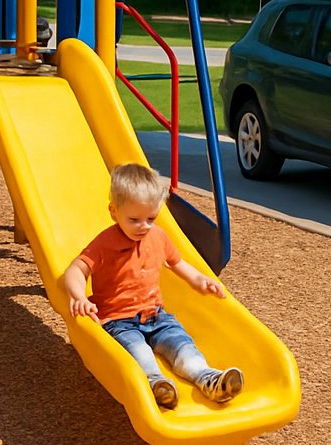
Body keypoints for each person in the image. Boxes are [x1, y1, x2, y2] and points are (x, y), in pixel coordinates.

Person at [64, 162, 244, 410]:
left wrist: (199, 279)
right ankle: (155, 384)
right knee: (140, 353)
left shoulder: (157, 235)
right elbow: (75, 270)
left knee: (182, 345)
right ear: (114, 212)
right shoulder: (105, 243)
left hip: (157, 316)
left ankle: (209, 379)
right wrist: (78, 295)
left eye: (151, 218)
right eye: (135, 220)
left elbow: (178, 263)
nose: (144, 226)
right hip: (118, 321)